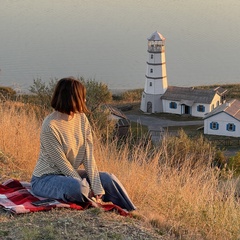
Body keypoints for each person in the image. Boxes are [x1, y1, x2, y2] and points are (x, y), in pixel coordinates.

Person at [31, 77, 136, 211]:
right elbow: (63, 164)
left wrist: (97, 185)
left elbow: (88, 156)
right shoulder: (50, 126)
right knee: (79, 187)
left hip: (69, 175)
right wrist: (85, 185)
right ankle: (95, 204)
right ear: (72, 98)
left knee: (108, 179)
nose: (85, 100)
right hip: (45, 179)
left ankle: (131, 211)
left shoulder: (81, 118)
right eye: (82, 97)